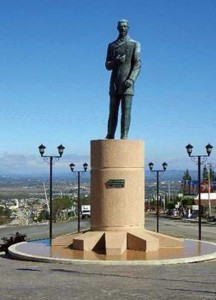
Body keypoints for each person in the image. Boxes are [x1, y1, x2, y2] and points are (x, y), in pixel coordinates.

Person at [105, 19, 141, 139]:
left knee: (126, 112)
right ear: (117, 28)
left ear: (128, 28)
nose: (123, 28)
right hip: (114, 82)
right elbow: (107, 66)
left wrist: (131, 79)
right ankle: (110, 135)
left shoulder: (134, 44)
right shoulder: (112, 45)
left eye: (125, 26)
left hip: (127, 83)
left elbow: (137, 64)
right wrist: (115, 62)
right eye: (121, 26)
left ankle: (124, 136)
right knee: (112, 112)